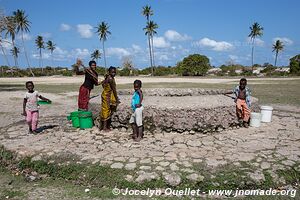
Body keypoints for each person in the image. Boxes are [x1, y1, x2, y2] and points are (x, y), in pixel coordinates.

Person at [100, 66, 120, 131]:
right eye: (112, 72)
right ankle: (105, 127)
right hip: (107, 96)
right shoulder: (111, 79)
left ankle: (104, 126)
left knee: (105, 110)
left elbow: (103, 84)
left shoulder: (107, 77)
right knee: (106, 110)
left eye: (115, 72)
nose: (114, 73)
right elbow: (114, 90)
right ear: (109, 72)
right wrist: (116, 99)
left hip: (104, 94)